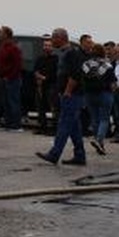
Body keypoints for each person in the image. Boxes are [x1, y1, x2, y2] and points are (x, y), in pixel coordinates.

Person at [34, 27, 86, 165]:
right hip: (68, 94)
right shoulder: (64, 53)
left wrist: (68, 91)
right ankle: (80, 155)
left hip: (72, 95)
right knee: (74, 127)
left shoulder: (71, 53)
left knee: (64, 124)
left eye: (53, 38)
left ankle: (54, 154)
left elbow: (75, 74)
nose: (51, 40)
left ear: (60, 38)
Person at [79, 35, 115, 155]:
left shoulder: (86, 65)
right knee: (104, 119)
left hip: (89, 94)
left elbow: (81, 78)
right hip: (105, 93)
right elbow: (112, 82)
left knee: (94, 118)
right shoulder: (107, 65)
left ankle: (99, 143)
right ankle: (99, 140)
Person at [0, 26, 23, 130]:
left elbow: (17, 65)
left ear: (6, 35)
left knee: (13, 102)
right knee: (5, 102)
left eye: (1, 32)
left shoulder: (13, 48)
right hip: (2, 78)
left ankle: (16, 124)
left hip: (12, 79)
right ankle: (8, 123)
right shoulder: (2, 46)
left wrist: (10, 76)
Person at [32, 36, 56, 134]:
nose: (47, 47)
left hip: (51, 85)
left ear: (52, 47)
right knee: (40, 107)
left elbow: (55, 73)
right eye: (45, 45)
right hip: (40, 85)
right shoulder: (39, 58)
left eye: (49, 46)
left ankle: (54, 128)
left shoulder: (55, 59)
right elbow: (35, 69)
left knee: (53, 107)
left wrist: (44, 78)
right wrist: (37, 76)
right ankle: (42, 126)